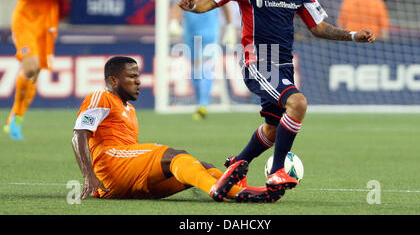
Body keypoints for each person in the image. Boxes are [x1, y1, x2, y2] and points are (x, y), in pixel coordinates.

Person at [178, 0, 376, 193]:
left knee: (272, 130)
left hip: (283, 64)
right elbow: (213, 0)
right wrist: (192, 6)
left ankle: (237, 165)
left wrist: (352, 35)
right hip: (258, 60)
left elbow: (317, 27)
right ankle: (277, 171)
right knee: (298, 103)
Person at [71, 56, 284, 203]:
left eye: (138, 75)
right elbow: (79, 134)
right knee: (176, 156)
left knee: (203, 168)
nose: (138, 81)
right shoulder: (101, 97)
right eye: (132, 76)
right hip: (111, 167)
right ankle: (218, 189)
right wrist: (88, 175)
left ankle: (242, 193)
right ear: (113, 80)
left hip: (128, 180)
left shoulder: (131, 109)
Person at [3, 0, 74, 140]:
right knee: (31, 66)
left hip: (48, 23)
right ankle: (15, 115)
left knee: (34, 74)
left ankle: (17, 116)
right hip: (24, 19)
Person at [169, 0, 234, 120]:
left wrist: (229, 26)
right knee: (194, 68)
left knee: (205, 66)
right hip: (190, 30)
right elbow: (176, 2)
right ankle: (200, 102)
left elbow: (224, 2)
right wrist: (174, 21)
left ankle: (203, 105)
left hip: (210, 29)